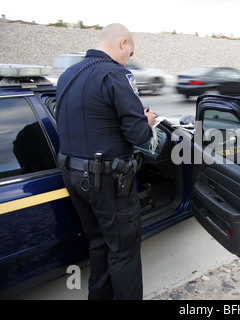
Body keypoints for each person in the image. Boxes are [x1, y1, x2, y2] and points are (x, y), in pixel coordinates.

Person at [56, 23, 156, 300]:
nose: (129, 59)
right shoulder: (116, 74)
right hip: (108, 183)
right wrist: (147, 121)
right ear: (122, 43)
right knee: (124, 251)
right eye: (130, 52)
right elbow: (138, 134)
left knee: (99, 244)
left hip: (74, 177)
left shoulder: (67, 75)